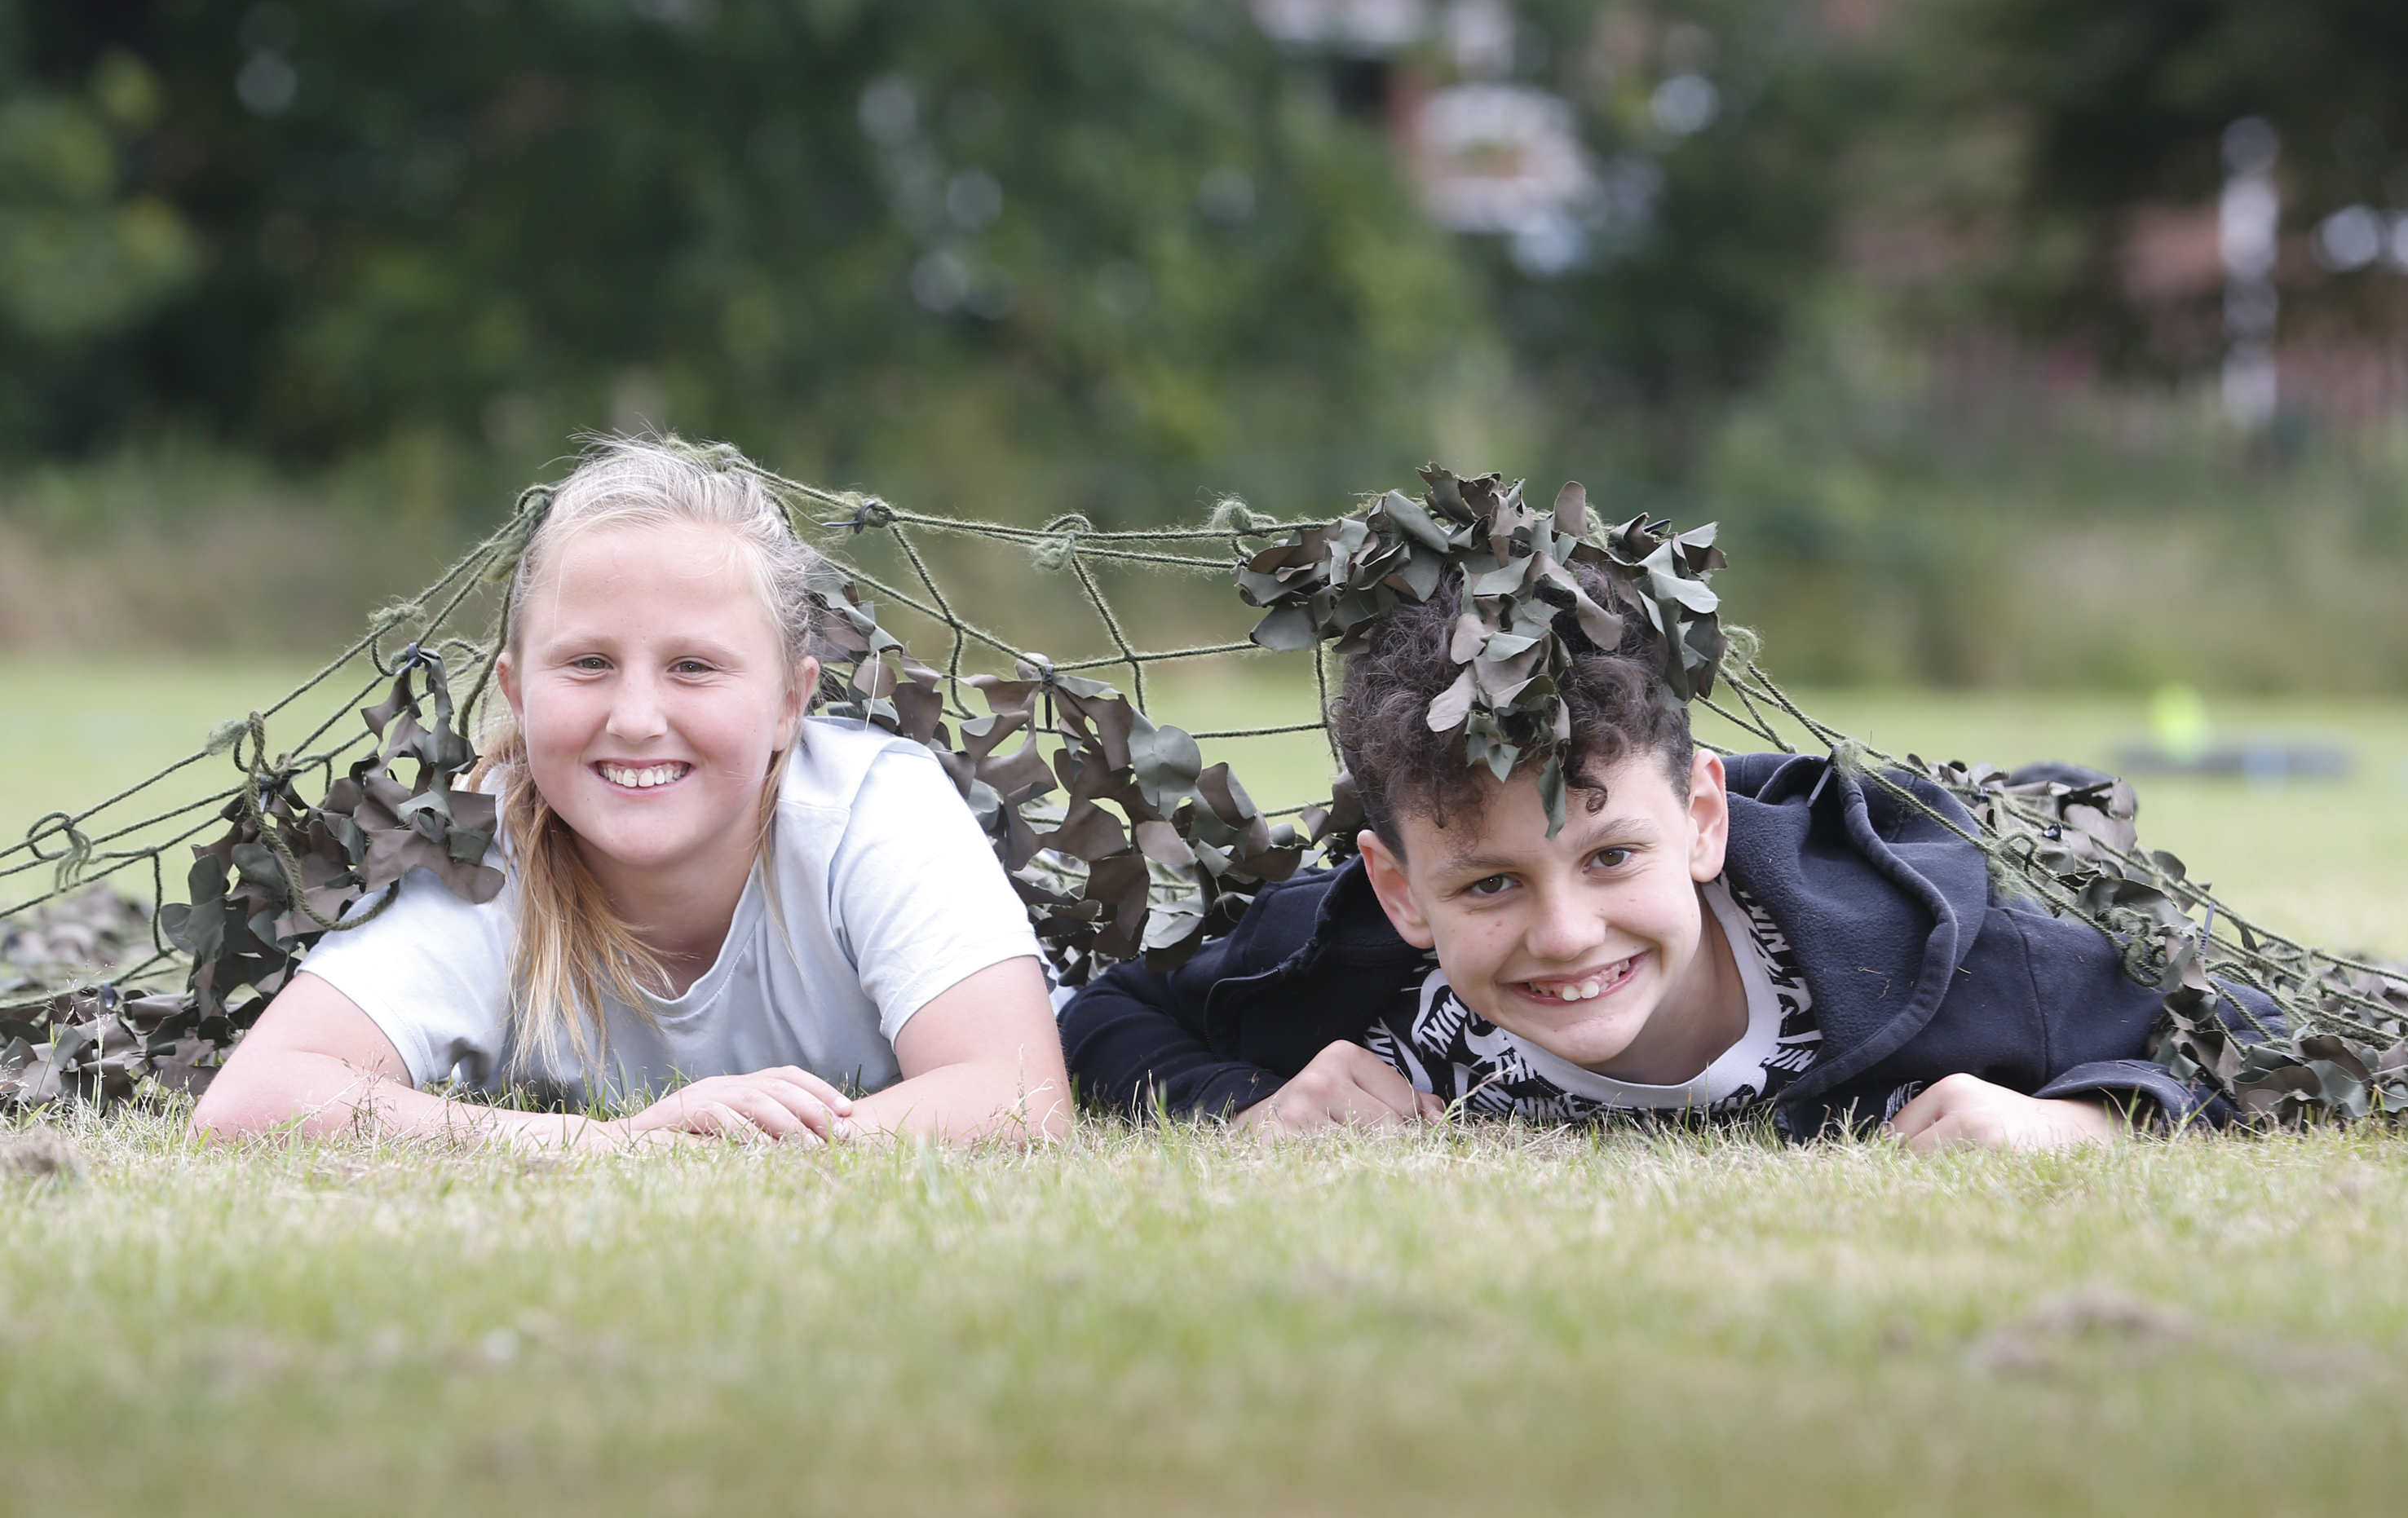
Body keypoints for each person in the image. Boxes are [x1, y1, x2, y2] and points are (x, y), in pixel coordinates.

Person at [1058, 561, 2270, 1150]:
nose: (1567, 934)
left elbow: (2250, 1036)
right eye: (1488, 883)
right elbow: (1102, 1019)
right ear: (1397, 888)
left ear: (1699, 816)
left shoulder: (1962, 959)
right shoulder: (1344, 959)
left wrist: (2091, 1126)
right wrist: (1250, 1108)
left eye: (1607, 856)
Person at [194, 439, 1069, 1147]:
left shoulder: (874, 810)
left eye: (693, 666)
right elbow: (256, 1100)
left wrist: (765, 1146)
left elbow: (1019, 1096)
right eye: (587, 663)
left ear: (789, 702)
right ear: (515, 691)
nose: (637, 717)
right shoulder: (482, 854)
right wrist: (617, 1146)